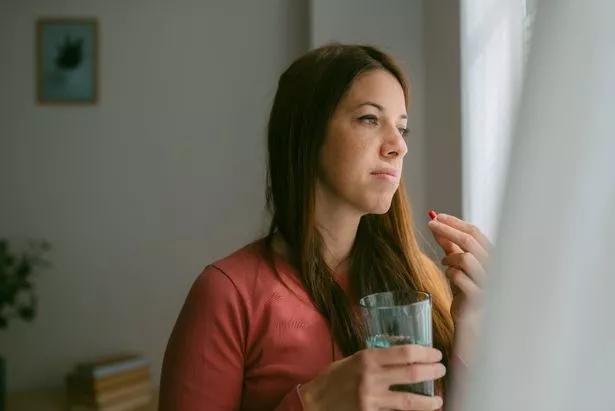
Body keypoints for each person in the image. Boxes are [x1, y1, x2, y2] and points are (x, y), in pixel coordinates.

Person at [158, 44, 491, 411]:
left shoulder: (423, 280)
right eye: (369, 119)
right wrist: (314, 403)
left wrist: (471, 330)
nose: (398, 146)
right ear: (308, 134)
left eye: (402, 128)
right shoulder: (226, 294)